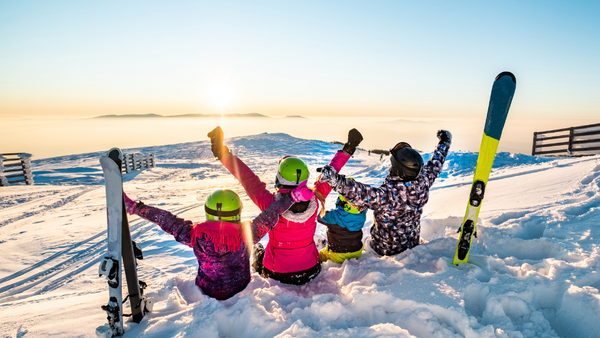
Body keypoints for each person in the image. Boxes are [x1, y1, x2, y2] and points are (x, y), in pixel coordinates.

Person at [207, 126, 363, 285]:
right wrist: (348, 148)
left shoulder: (270, 204)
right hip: (310, 269)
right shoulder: (316, 199)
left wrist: (222, 154)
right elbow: (331, 172)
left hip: (277, 273)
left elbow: (248, 179)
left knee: (258, 253)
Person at [122, 184, 313, 300]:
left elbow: (166, 219)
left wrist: (136, 208)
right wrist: (292, 198)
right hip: (241, 286)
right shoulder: (247, 234)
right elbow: (271, 214)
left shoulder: (194, 235)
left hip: (208, 290)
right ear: (237, 212)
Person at [319, 130, 452, 256]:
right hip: (411, 244)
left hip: (383, 250)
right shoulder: (423, 182)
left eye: (392, 165)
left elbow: (360, 193)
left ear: (397, 170)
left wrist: (335, 180)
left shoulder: (388, 195)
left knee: (364, 243)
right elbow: (435, 164)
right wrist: (444, 143)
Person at [318, 185, 368, 264]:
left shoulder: (334, 216)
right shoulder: (361, 215)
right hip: (357, 251)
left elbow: (319, 217)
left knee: (319, 255)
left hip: (337, 254)